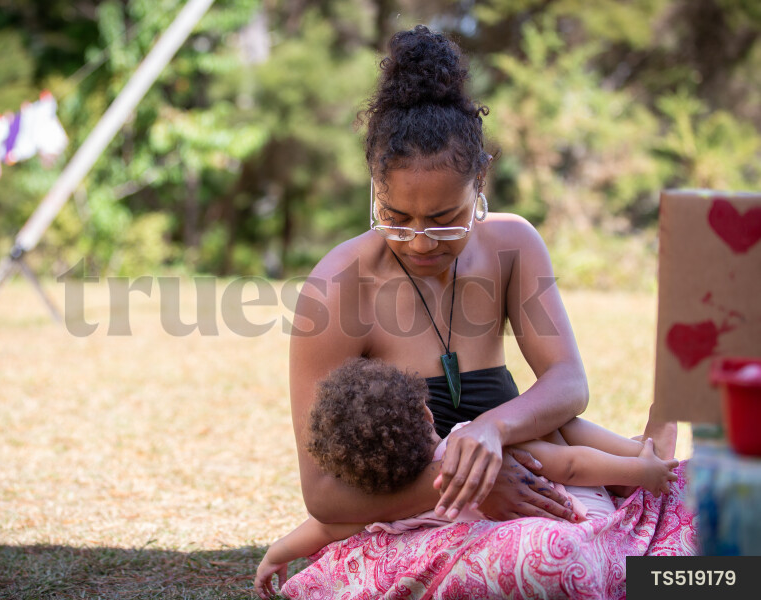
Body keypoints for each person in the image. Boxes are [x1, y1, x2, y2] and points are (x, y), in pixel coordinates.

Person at [282, 24, 692, 600]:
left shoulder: (512, 246)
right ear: (373, 188)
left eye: (446, 218)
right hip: (431, 526)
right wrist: (470, 489)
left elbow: (567, 384)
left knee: (723, 503)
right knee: (554, 559)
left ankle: (659, 572)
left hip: (541, 483)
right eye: (395, 216)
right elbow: (324, 495)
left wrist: (492, 430)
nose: (420, 241)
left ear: (480, 184)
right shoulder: (337, 288)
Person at [255, 359, 679, 599]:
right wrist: (637, 474)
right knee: (557, 425)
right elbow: (567, 467)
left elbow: (325, 525)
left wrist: (277, 552)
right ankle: (639, 453)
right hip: (577, 512)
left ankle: (638, 452)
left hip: (533, 534)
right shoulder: (467, 446)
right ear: (426, 413)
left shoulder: (383, 506)